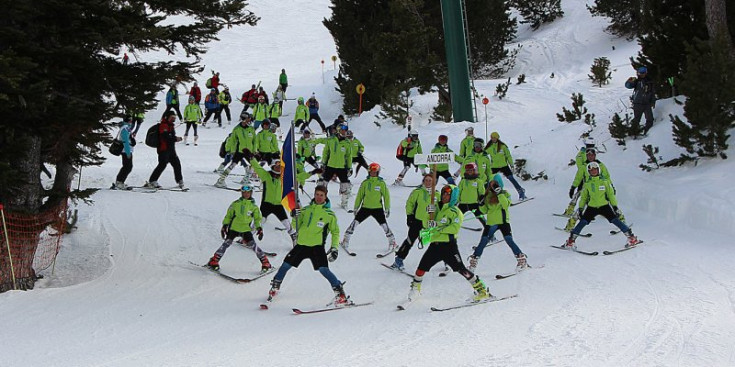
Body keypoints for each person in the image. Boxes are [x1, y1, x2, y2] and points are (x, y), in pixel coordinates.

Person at [266, 185, 353, 307]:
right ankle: (275, 287)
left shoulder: (329, 214)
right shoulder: (306, 210)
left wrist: (334, 248)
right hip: (301, 245)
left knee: (324, 270)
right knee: (285, 265)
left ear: (325, 196)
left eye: (321, 195)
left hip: (316, 247)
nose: (318, 197)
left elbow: (335, 232)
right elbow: (296, 226)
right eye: (317, 194)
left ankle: (340, 293)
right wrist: (294, 216)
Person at [404, 184, 492, 303]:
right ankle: (415, 289)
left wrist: (437, 226)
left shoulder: (455, 212)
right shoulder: (436, 208)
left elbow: (453, 229)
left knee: (461, 269)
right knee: (421, 268)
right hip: (435, 245)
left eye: (448, 194)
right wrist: (427, 214)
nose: (445, 196)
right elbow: (426, 224)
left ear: (453, 197)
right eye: (444, 193)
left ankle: (481, 289)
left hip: (448, 246)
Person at [562, 162, 640, 249]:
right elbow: (584, 197)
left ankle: (631, 238)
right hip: (591, 207)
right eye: (591, 170)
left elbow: (611, 195)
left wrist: (615, 207)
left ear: (598, 170)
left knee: (615, 220)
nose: (593, 171)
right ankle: (570, 241)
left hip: (604, 206)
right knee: (583, 222)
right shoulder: (587, 184)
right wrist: (581, 208)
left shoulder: (604, 182)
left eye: (595, 169)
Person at [468, 174, 528, 272]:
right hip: (492, 223)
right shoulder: (488, 196)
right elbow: (484, 211)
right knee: (483, 241)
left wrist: (499, 193)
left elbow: (505, 205)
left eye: (495, 184)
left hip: (503, 221)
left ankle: (521, 259)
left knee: (509, 240)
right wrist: (481, 204)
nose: (493, 186)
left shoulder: (505, 194)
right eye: (491, 184)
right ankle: (473, 262)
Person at [207, 184, 272, 272]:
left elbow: (257, 219)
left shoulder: (254, 207)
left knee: (253, 245)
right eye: (244, 192)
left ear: (251, 193)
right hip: (234, 228)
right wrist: (225, 225)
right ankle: (214, 260)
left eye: (248, 192)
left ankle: (265, 262)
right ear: (241, 193)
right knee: (226, 244)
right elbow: (229, 215)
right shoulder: (235, 204)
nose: (246, 194)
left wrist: (259, 228)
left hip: (245, 229)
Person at [340, 163, 397, 253]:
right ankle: (345, 241)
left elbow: (386, 196)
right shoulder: (365, 183)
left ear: (378, 172)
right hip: (365, 208)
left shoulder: (381, 183)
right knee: (354, 224)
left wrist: (387, 208)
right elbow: (360, 195)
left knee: (384, 226)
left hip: (377, 208)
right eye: (371, 172)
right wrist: (356, 207)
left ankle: (392, 242)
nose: (373, 173)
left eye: (375, 172)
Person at [390, 174, 437, 270]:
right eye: (426, 180)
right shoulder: (417, 192)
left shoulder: (437, 194)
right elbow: (410, 204)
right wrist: (409, 216)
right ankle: (398, 260)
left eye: (430, 180)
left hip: (430, 222)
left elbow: (441, 208)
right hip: (418, 221)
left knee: (439, 242)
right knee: (409, 241)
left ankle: (446, 262)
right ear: (423, 181)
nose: (428, 182)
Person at [247, 156, 298, 244]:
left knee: (286, 223)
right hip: (266, 204)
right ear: (273, 167)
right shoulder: (266, 175)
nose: (278, 168)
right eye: (276, 166)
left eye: (280, 167)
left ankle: (294, 238)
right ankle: (247, 238)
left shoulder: (283, 178)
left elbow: (292, 187)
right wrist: (251, 157)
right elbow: (257, 167)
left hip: (278, 205)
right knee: (259, 222)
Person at [564, 147, 615, 231]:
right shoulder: (584, 166)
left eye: (592, 155)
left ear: (595, 156)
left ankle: (622, 221)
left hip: (599, 189)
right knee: (582, 206)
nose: (590, 157)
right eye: (588, 155)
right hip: (586, 188)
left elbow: (607, 177)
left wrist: (611, 186)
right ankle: (570, 225)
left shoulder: (600, 165)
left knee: (610, 204)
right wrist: (573, 187)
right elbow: (578, 177)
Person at [144, 111, 185, 189]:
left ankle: (180, 181)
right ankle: (152, 180)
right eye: (172, 117)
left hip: (171, 150)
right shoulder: (164, 125)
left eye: (174, 117)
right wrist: (175, 138)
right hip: (163, 149)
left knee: (177, 164)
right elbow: (165, 137)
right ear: (167, 117)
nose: (174, 119)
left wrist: (174, 138)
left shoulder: (170, 125)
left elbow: (170, 136)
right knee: (162, 165)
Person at [215, 114, 256, 188]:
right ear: (244, 119)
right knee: (232, 165)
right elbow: (232, 141)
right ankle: (221, 181)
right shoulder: (237, 129)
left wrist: (254, 150)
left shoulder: (251, 129)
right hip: (239, 151)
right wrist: (231, 151)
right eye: (248, 119)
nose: (250, 121)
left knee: (253, 165)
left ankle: (246, 179)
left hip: (249, 151)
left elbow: (255, 141)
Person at [319, 125, 353, 208]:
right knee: (323, 184)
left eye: (345, 131)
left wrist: (349, 167)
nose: (344, 132)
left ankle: (344, 203)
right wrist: (323, 163)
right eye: (342, 130)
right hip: (330, 165)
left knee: (345, 185)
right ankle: (321, 201)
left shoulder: (347, 143)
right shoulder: (331, 140)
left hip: (341, 167)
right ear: (338, 130)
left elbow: (348, 156)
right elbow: (326, 152)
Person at [486, 132, 526, 200]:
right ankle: (489, 195)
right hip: (494, 166)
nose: (493, 139)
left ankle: (520, 191)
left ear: (497, 138)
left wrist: (511, 165)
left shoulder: (503, 146)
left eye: (494, 137)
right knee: (489, 180)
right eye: (492, 137)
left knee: (511, 178)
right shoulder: (490, 147)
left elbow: (508, 156)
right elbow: (484, 153)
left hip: (504, 165)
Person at [625, 66, 656, 136]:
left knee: (650, 118)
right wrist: (629, 81)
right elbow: (628, 86)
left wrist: (653, 101)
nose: (642, 74)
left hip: (647, 103)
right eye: (640, 73)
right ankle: (633, 133)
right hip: (638, 103)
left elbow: (653, 92)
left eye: (643, 72)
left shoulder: (649, 81)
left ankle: (647, 132)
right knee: (636, 119)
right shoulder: (636, 81)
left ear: (646, 72)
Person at [457, 162, 487, 228]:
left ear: (474, 170)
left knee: (481, 217)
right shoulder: (463, 181)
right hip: (463, 203)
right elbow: (458, 191)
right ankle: (451, 231)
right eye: (467, 170)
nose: (469, 172)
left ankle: (490, 233)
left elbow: (482, 191)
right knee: (456, 217)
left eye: (471, 170)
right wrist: (456, 200)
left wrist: (482, 198)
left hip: (474, 204)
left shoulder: (478, 181)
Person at [113, 116, 135, 190]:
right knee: (127, 167)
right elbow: (125, 140)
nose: (132, 122)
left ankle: (120, 181)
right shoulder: (125, 128)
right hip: (126, 151)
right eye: (131, 120)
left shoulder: (127, 128)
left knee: (127, 167)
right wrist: (128, 152)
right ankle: (119, 182)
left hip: (127, 150)